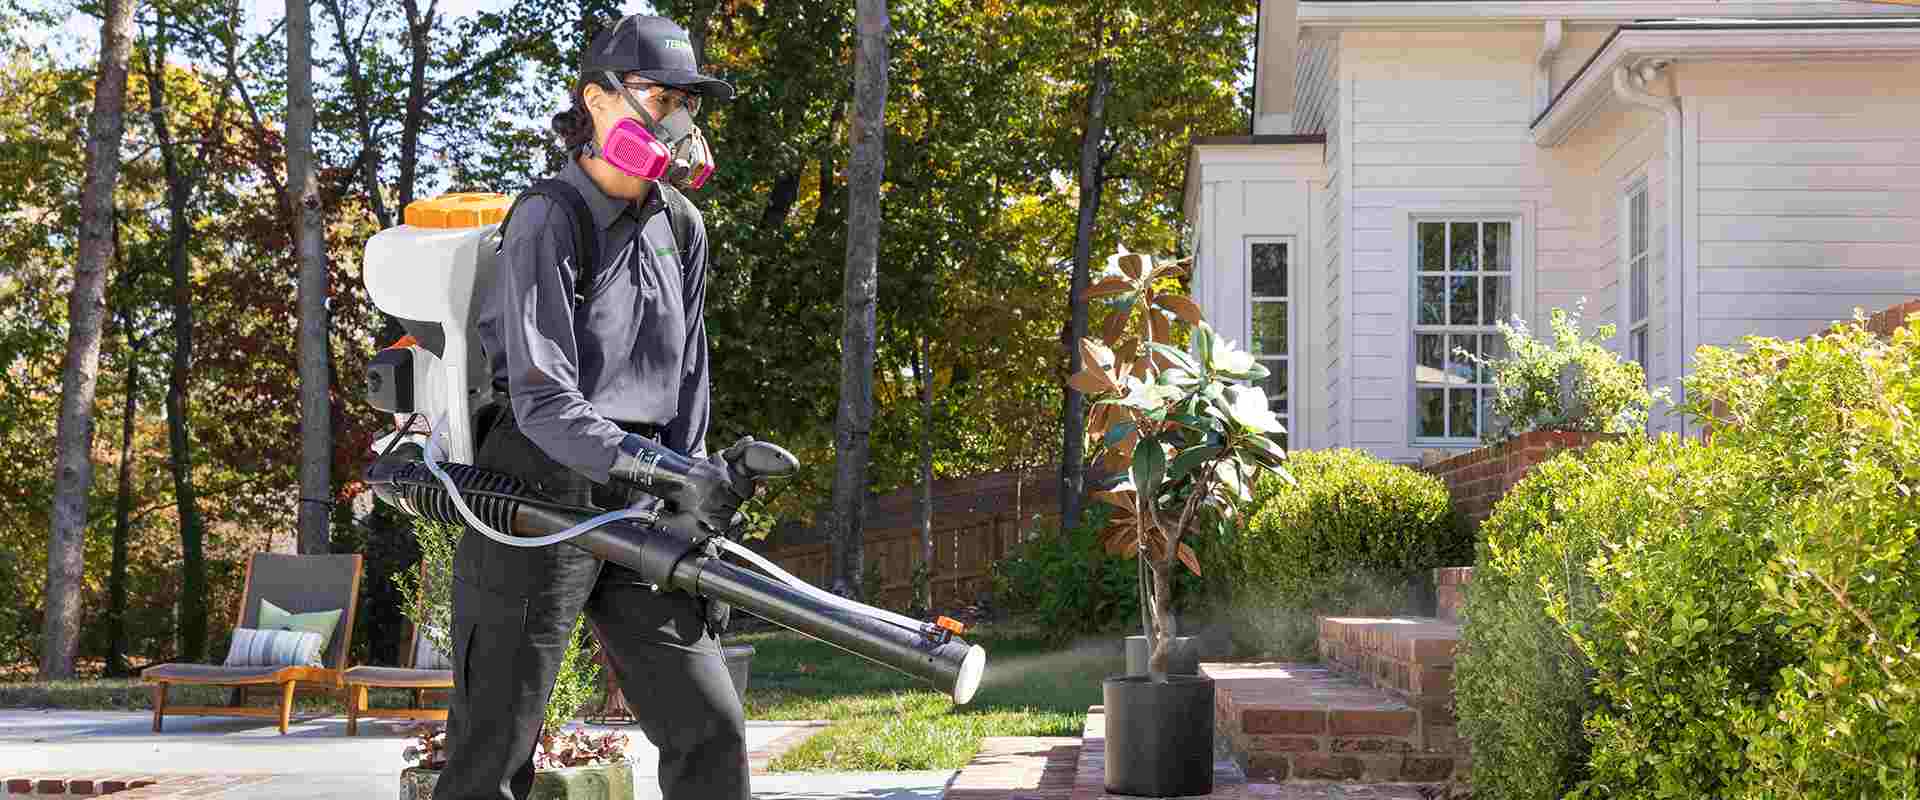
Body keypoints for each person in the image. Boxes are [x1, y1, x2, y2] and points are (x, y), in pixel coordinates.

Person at [438, 14, 752, 800]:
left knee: (709, 725)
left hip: (646, 496)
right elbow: (543, 398)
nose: (675, 119)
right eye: (658, 96)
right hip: (538, 488)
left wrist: (692, 486)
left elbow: (690, 375)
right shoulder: (549, 217)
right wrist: (662, 470)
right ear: (596, 99)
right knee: (494, 745)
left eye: (685, 102)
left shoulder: (682, 224)